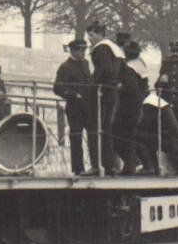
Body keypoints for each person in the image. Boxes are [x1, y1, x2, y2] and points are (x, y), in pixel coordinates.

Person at [53, 39, 96, 175]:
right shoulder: (65, 67)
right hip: (75, 107)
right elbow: (57, 87)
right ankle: (78, 169)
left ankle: (94, 166)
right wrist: (73, 95)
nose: (83, 53)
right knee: (76, 137)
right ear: (72, 50)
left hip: (88, 106)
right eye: (80, 50)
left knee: (93, 136)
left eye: (84, 50)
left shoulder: (85, 64)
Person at [87, 22, 125, 174]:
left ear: (100, 34)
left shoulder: (102, 48)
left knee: (96, 128)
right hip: (113, 92)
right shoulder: (114, 49)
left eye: (91, 35)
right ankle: (112, 164)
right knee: (108, 129)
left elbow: (104, 70)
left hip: (102, 93)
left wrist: (93, 83)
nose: (90, 39)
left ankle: (98, 165)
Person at [115, 38, 148, 173]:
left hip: (127, 106)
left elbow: (131, 87)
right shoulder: (141, 65)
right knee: (132, 135)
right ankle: (141, 164)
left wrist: (119, 86)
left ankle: (131, 165)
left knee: (119, 135)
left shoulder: (129, 68)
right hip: (138, 104)